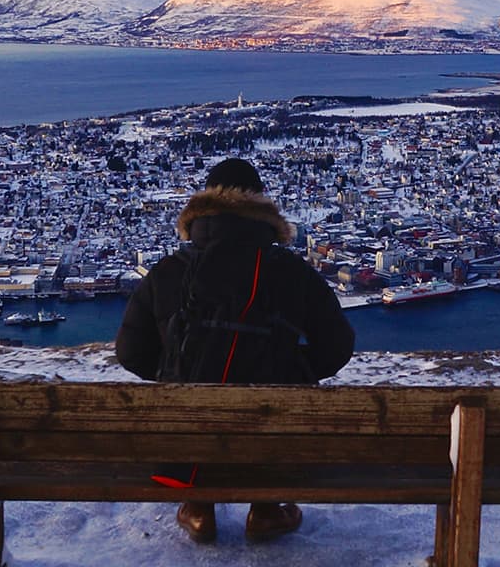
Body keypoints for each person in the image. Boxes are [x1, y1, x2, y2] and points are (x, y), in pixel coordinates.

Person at [115, 157, 355, 544]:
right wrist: (291, 370)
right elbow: (338, 345)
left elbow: (129, 351)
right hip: (271, 450)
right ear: (261, 208)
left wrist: (176, 373)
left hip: (185, 447)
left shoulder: (168, 272)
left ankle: (197, 508)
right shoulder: (293, 273)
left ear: (202, 208)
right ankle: (264, 511)